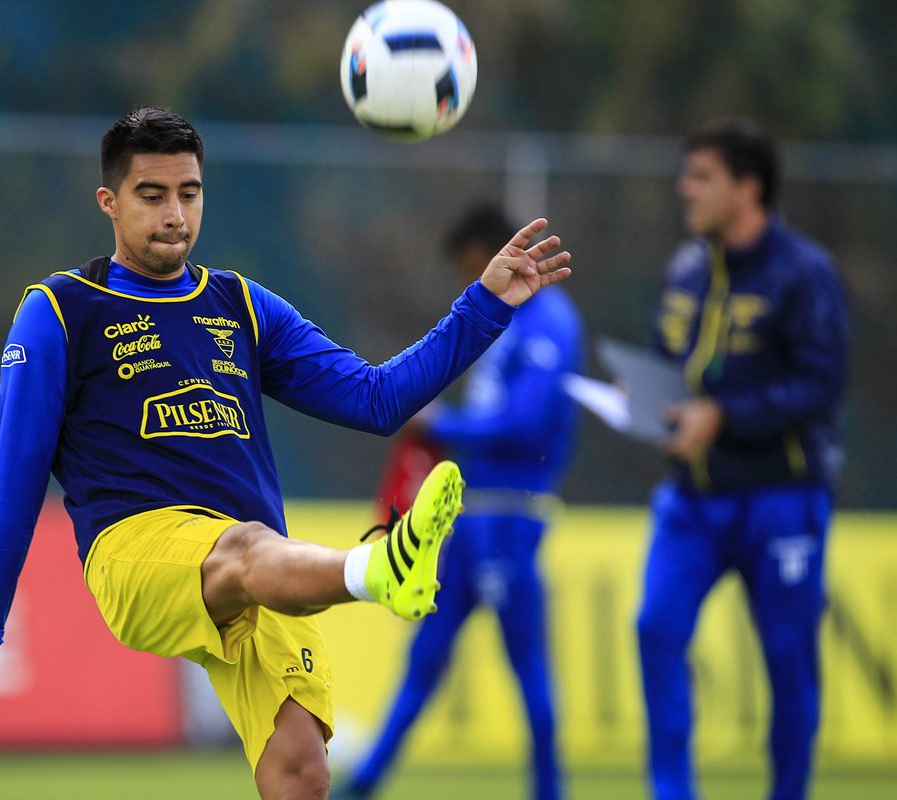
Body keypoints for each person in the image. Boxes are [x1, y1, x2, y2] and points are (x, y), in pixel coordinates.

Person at [0, 106, 573, 800]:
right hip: (138, 551)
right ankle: (379, 568)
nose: (174, 215)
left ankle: (374, 573)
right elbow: (15, 485)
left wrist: (486, 304)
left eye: (188, 194)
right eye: (152, 195)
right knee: (246, 548)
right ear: (110, 202)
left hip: (260, 564)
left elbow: (378, 399)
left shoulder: (239, 305)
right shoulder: (60, 311)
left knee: (302, 769)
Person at [336, 204, 583, 800]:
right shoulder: (513, 321)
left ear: (489, 251)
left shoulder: (549, 319)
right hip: (475, 514)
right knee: (425, 659)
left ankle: (551, 792)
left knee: (527, 664)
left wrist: (444, 424)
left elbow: (525, 420)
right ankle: (363, 783)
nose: (473, 280)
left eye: (473, 266)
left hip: (514, 513)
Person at [635, 118, 849, 800]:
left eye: (702, 177)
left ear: (748, 188)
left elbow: (823, 385)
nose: (684, 189)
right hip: (691, 502)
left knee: (789, 665)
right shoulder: (685, 268)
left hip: (779, 499)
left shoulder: (803, 274)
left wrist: (723, 417)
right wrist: (640, 396)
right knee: (655, 628)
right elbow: (666, 364)